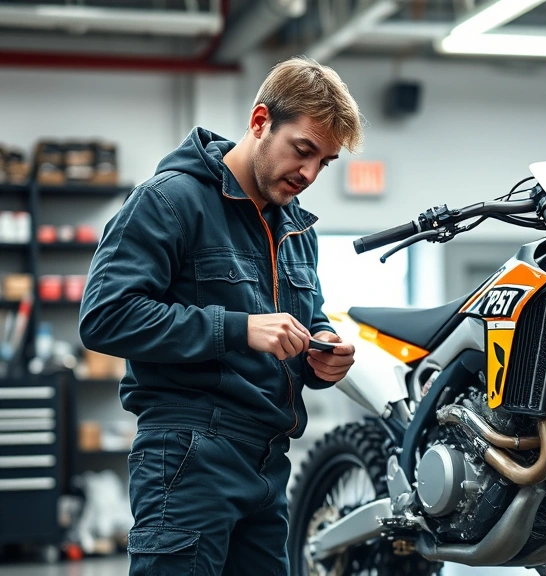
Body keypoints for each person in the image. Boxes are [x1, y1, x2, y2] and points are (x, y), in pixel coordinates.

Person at [79, 56, 361, 575]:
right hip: (189, 457)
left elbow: (306, 318)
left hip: (269, 463)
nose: (309, 173)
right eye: (303, 150)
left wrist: (323, 351)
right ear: (259, 122)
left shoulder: (297, 229)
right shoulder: (169, 201)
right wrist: (238, 328)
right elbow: (105, 315)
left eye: (324, 162)